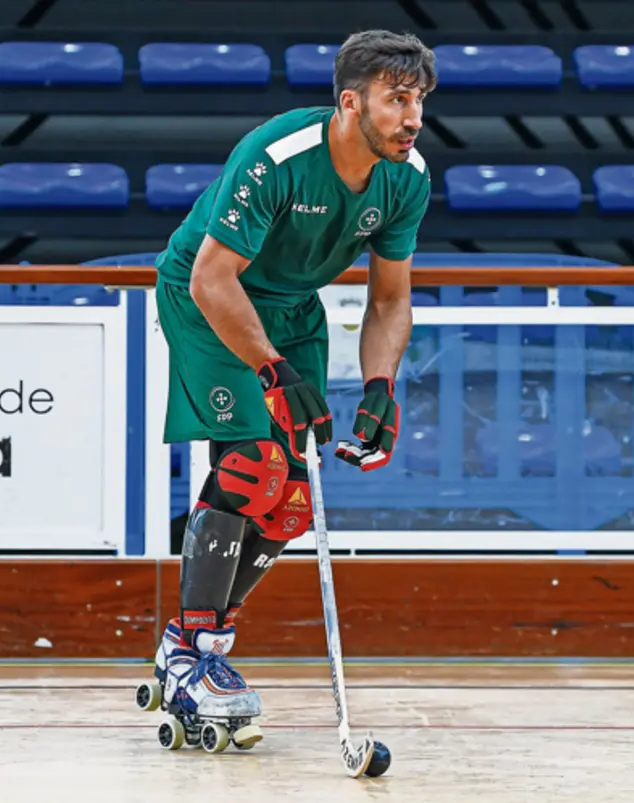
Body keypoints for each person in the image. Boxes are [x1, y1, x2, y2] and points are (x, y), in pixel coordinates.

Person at [143, 29, 436, 746]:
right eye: (397, 99)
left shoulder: (408, 177)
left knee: (293, 498)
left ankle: (192, 641)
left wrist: (378, 386)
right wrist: (272, 372)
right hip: (209, 295)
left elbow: (390, 300)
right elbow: (214, 276)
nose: (413, 117)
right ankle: (195, 657)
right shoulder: (277, 157)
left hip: (292, 308)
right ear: (349, 102)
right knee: (252, 465)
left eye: (420, 100)